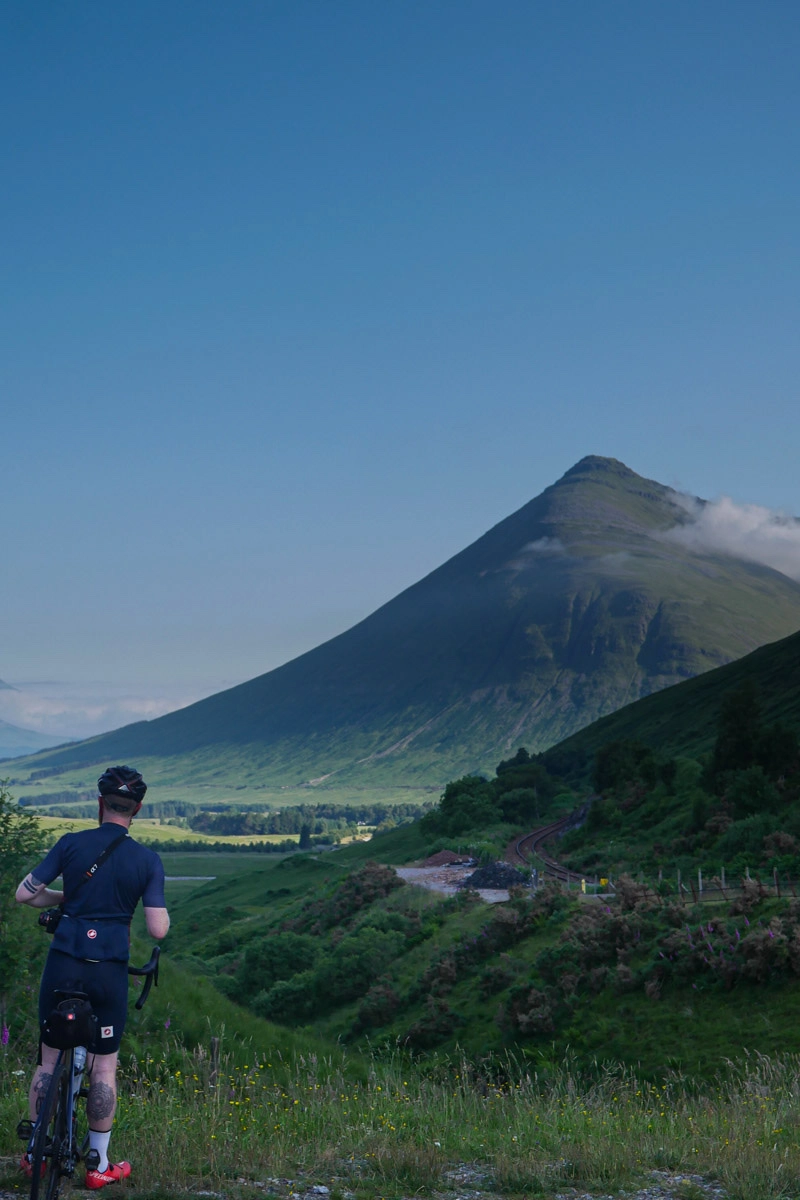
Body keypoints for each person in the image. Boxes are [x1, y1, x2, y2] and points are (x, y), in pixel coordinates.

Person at [15, 765, 170, 1190]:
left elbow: (24, 894)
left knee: (48, 1059)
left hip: (64, 961)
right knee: (104, 1069)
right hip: (108, 973)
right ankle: (99, 1165)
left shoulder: (70, 844)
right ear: (136, 810)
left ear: (99, 804)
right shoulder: (147, 860)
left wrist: (69, 897)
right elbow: (158, 929)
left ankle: (35, 1156)